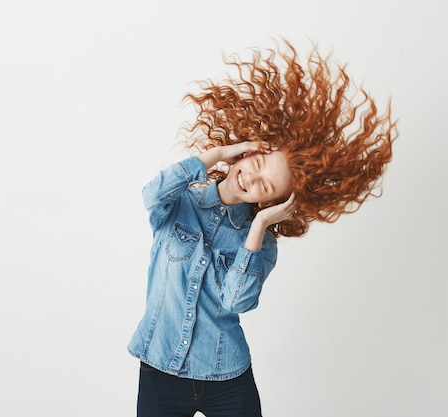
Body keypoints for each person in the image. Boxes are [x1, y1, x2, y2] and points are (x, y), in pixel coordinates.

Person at [127, 39, 397, 417]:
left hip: (225, 372)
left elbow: (237, 302)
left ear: (270, 201)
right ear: (251, 149)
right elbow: (150, 194)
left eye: (266, 186)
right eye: (258, 163)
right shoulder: (180, 200)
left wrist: (260, 226)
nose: (251, 178)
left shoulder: (262, 243)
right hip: (159, 367)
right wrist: (216, 155)